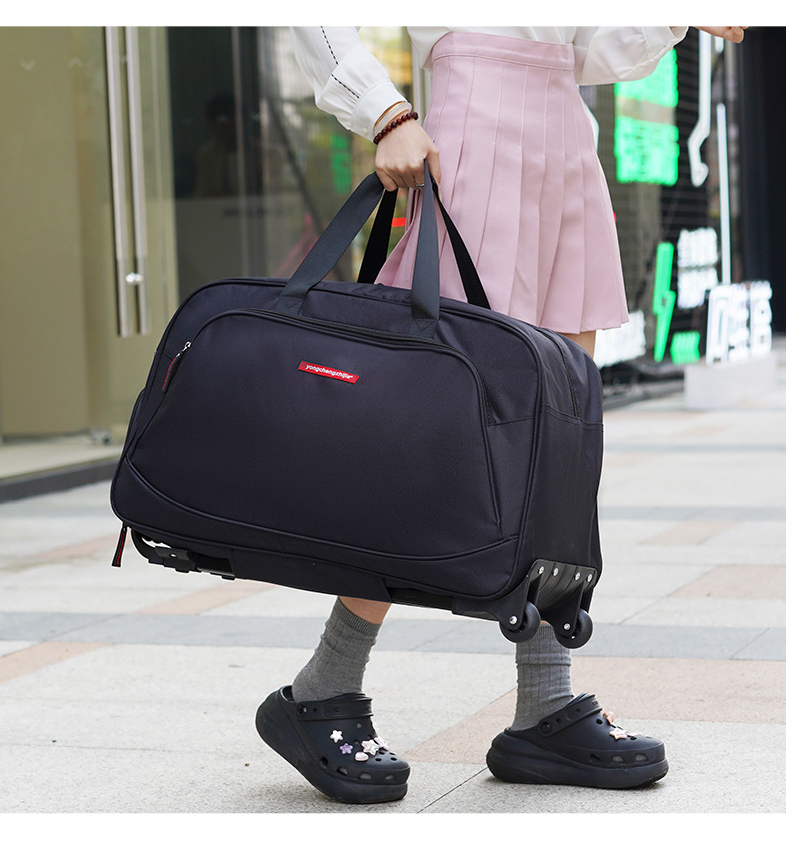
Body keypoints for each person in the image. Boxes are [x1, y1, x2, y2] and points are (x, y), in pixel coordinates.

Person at [254, 25, 748, 805]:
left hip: (565, 139)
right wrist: (385, 111)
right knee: (435, 444)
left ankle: (545, 703)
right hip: (473, 136)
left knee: (560, 448)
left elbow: (591, 45)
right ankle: (323, 686)